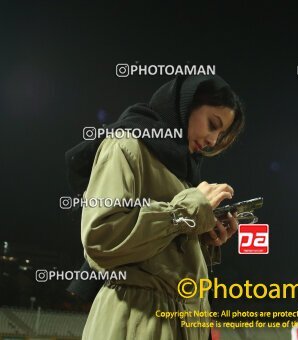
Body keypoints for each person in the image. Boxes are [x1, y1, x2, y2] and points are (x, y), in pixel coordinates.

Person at [80, 75, 245, 339]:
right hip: (136, 322)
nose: (213, 140)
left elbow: (158, 250)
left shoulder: (182, 173)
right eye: (212, 124)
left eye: (221, 133)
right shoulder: (126, 145)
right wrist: (186, 212)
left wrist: (203, 235)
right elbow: (101, 240)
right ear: (186, 106)